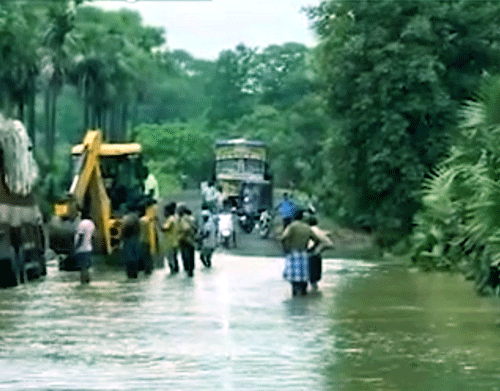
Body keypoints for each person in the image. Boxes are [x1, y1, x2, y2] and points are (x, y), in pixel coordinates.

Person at [280, 209, 323, 296]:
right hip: (304, 255)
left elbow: (283, 238)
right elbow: (318, 240)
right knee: (304, 281)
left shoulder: (292, 226)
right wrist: (311, 249)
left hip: (293, 254)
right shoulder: (307, 228)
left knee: (294, 283)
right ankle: (303, 301)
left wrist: (286, 249)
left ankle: (295, 299)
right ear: (302, 217)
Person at [307, 216, 334, 291]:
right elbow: (328, 241)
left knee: (310, 277)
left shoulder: (310, 230)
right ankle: (315, 291)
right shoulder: (318, 230)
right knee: (315, 280)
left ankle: (312, 290)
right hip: (320, 252)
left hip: (314, 253)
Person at [74, 208, 95, 284]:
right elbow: (92, 237)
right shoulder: (91, 223)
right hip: (88, 248)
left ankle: (83, 284)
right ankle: (87, 283)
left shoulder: (82, 223)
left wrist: (76, 247)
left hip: (81, 249)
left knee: (82, 269)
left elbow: (80, 236)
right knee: (86, 268)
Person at [177, 204, 197, 277]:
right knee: (191, 258)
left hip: (185, 241)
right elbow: (195, 229)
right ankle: (191, 273)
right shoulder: (191, 218)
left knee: (186, 258)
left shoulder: (183, 218)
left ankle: (189, 273)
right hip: (191, 240)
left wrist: (180, 237)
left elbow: (186, 228)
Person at [161, 202, 180, 274]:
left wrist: (157, 223)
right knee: (174, 259)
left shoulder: (170, 219)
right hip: (174, 242)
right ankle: (175, 272)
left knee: (171, 260)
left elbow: (164, 228)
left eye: (165, 211)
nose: (164, 213)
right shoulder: (174, 218)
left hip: (170, 242)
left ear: (168, 211)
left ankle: (173, 273)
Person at [122, 211, 142, 279]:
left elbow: (123, 230)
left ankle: (130, 275)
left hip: (128, 241)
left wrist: (121, 238)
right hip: (135, 241)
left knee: (129, 259)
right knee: (135, 259)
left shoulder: (126, 219)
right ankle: (135, 274)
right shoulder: (137, 220)